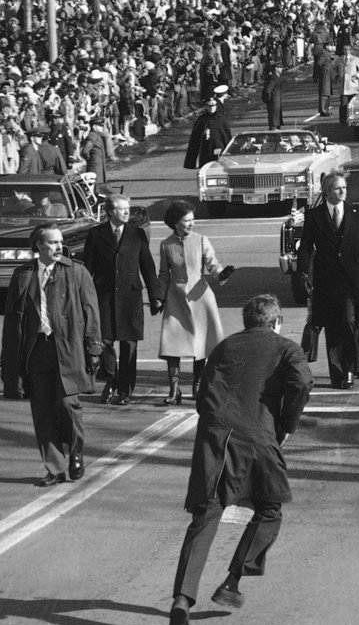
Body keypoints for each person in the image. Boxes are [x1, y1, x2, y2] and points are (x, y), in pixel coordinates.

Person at [168, 294, 313, 625]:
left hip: (215, 437)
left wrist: (214, 423)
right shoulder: (286, 348)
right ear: (276, 321)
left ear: (247, 321)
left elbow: (202, 393)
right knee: (270, 508)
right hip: (257, 437)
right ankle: (233, 579)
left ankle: (181, 600)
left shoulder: (225, 346)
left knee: (206, 515)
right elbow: (302, 382)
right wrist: (286, 424)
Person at [1, 225, 102, 486]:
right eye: (52, 243)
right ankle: (55, 468)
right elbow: (13, 321)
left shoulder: (76, 271)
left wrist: (94, 348)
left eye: (60, 242)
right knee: (42, 410)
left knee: (69, 405)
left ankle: (76, 452)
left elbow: (91, 311)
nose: (58, 247)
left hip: (68, 349)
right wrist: (8, 358)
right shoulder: (23, 275)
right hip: (37, 352)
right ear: (38, 246)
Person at [296, 170, 359, 389]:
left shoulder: (355, 211)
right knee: (334, 326)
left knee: (347, 322)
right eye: (338, 188)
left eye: (344, 187)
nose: (343, 191)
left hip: (353, 280)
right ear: (327, 192)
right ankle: (337, 375)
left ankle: (350, 370)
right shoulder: (314, 216)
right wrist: (303, 273)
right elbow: (306, 246)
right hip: (327, 281)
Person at [81, 194, 162, 406]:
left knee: (129, 345)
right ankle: (110, 380)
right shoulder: (96, 235)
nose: (126, 212)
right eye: (121, 209)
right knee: (105, 342)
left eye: (127, 208)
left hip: (130, 299)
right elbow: (86, 269)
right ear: (109, 212)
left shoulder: (137, 234)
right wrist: (82, 296)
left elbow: (148, 267)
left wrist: (156, 296)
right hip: (104, 297)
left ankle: (125, 390)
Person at [158, 200, 231, 405]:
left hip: (200, 295)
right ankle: (174, 389)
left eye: (192, 219)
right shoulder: (166, 244)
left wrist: (221, 274)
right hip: (176, 296)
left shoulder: (201, 240)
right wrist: (158, 297)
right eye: (187, 220)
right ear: (175, 222)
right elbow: (164, 274)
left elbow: (212, 264)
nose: (192, 223)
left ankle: (197, 386)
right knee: (172, 343)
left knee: (201, 343)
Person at [183, 98, 231, 170]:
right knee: (207, 170)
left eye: (214, 105)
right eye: (210, 106)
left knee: (220, 170)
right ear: (206, 106)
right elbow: (194, 139)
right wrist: (191, 162)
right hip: (206, 149)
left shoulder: (221, 119)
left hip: (220, 149)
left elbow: (227, 136)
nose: (212, 108)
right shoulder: (202, 120)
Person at [261, 64, 284, 130]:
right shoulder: (273, 78)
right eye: (280, 67)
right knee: (274, 124)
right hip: (273, 104)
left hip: (276, 103)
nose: (281, 69)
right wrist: (269, 100)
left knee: (277, 123)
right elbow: (268, 90)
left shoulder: (277, 77)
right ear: (276, 68)